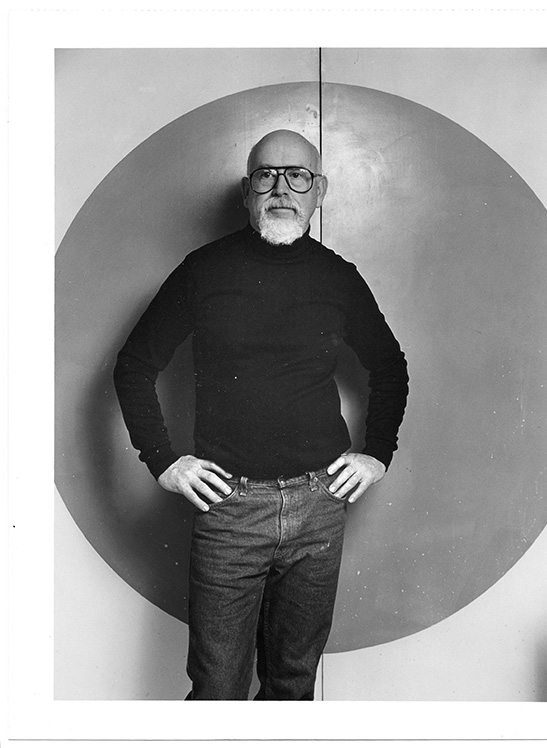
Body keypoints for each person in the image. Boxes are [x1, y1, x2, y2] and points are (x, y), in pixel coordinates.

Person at [113, 129, 409, 700]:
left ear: (317, 190)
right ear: (248, 191)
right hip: (228, 509)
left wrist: (377, 455)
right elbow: (134, 366)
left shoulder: (338, 277)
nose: (281, 188)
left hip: (320, 507)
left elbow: (390, 368)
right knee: (217, 689)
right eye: (266, 176)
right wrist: (163, 461)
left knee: (292, 686)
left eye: (297, 176)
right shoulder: (203, 271)